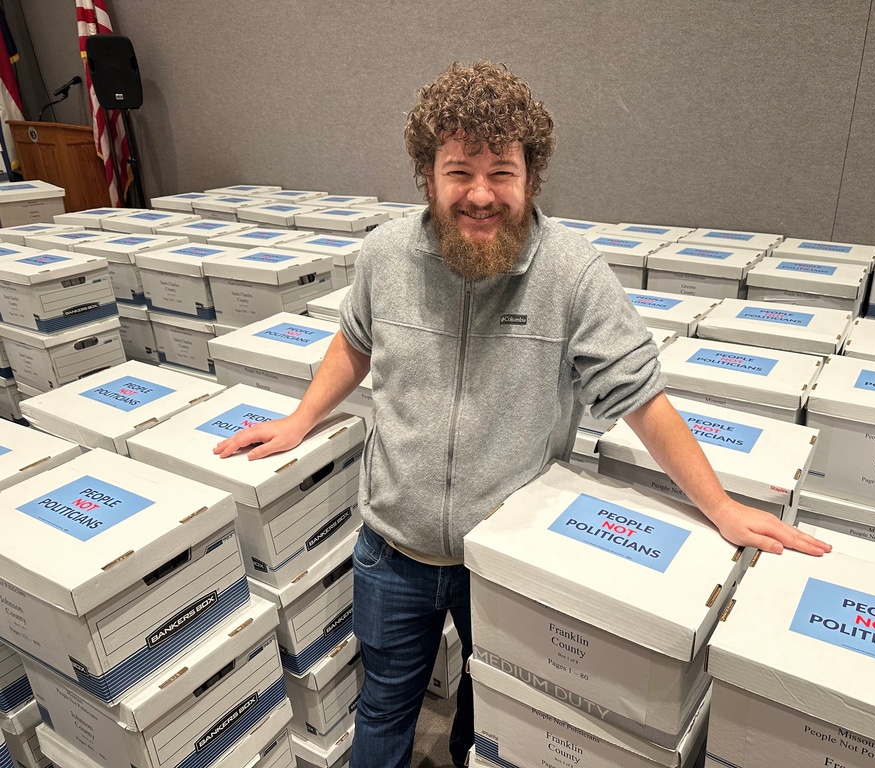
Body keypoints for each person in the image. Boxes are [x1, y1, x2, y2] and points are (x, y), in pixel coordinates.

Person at [214, 60, 830, 768]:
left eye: (500, 172)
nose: (481, 194)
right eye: (459, 171)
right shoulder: (386, 254)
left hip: (503, 562)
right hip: (391, 549)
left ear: (530, 176)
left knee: (489, 714)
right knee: (382, 703)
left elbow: (639, 395)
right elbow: (355, 340)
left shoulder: (570, 271)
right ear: (428, 175)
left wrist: (718, 506)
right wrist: (301, 419)